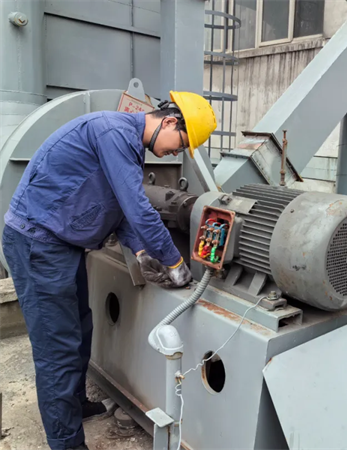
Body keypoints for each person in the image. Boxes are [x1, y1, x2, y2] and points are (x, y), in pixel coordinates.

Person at [2, 91, 216, 450]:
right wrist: (175, 263)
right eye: (180, 144)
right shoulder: (113, 132)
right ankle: (66, 442)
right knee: (57, 350)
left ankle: (75, 405)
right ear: (168, 121)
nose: (174, 153)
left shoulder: (127, 143)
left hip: (62, 245)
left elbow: (117, 207)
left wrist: (142, 251)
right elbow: (138, 209)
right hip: (38, 245)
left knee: (81, 327)